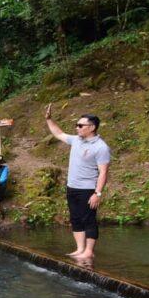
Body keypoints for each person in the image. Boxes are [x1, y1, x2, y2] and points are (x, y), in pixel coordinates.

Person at [45, 106, 110, 262]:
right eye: (77, 125)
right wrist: (48, 119)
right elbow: (58, 133)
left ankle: (89, 251)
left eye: (81, 125)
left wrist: (97, 193)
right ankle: (80, 248)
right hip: (72, 186)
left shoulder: (101, 147)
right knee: (75, 218)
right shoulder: (76, 140)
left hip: (88, 189)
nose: (77, 128)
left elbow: (103, 172)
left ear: (92, 127)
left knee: (89, 219)